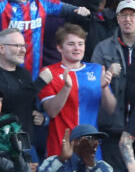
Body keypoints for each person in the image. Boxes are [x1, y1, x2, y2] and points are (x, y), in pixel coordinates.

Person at [39, 23, 116, 160]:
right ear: (59, 48)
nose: (77, 48)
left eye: (81, 44)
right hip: (59, 150)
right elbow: (51, 111)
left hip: (91, 151)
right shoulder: (49, 72)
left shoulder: (97, 70)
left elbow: (110, 109)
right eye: (71, 44)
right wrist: (66, 88)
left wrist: (104, 88)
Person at [0, 0, 90, 78]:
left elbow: (69, 9)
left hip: (33, 74)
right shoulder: (2, 4)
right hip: (5, 75)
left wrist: (80, 11)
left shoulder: (42, 2)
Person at [91, 0, 135, 172]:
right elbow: (94, 84)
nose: (128, 19)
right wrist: (107, 74)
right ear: (117, 19)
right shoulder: (103, 48)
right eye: (123, 15)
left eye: (132, 15)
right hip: (113, 129)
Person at [0, 28, 51, 162]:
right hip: (4, 146)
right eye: (17, 46)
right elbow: (9, 103)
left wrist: (40, 116)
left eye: (24, 46)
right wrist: (39, 83)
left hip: (24, 142)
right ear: (1, 48)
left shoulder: (24, 74)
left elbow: (28, 104)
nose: (23, 50)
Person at [37, 124, 113, 172]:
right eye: (90, 138)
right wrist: (61, 159)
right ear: (76, 142)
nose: (95, 143)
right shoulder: (53, 160)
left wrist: (90, 165)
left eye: (97, 140)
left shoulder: (103, 166)